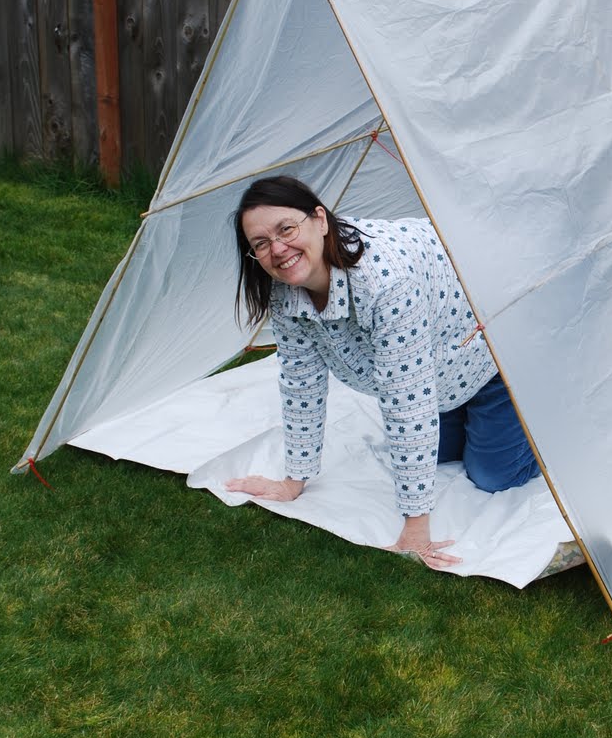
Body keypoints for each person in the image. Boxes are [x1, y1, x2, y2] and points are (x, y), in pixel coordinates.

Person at [225, 175, 540, 570]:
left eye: (286, 229)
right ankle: (469, 411)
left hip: (492, 352)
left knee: (492, 474)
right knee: (428, 456)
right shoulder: (286, 291)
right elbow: (300, 382)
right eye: (261, 244)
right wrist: (294, 481)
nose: (278, 249)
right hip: (443, 370)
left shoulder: (387, 283)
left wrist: (416, 528)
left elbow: (408, 404)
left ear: (320, 220)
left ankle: (542, 402)